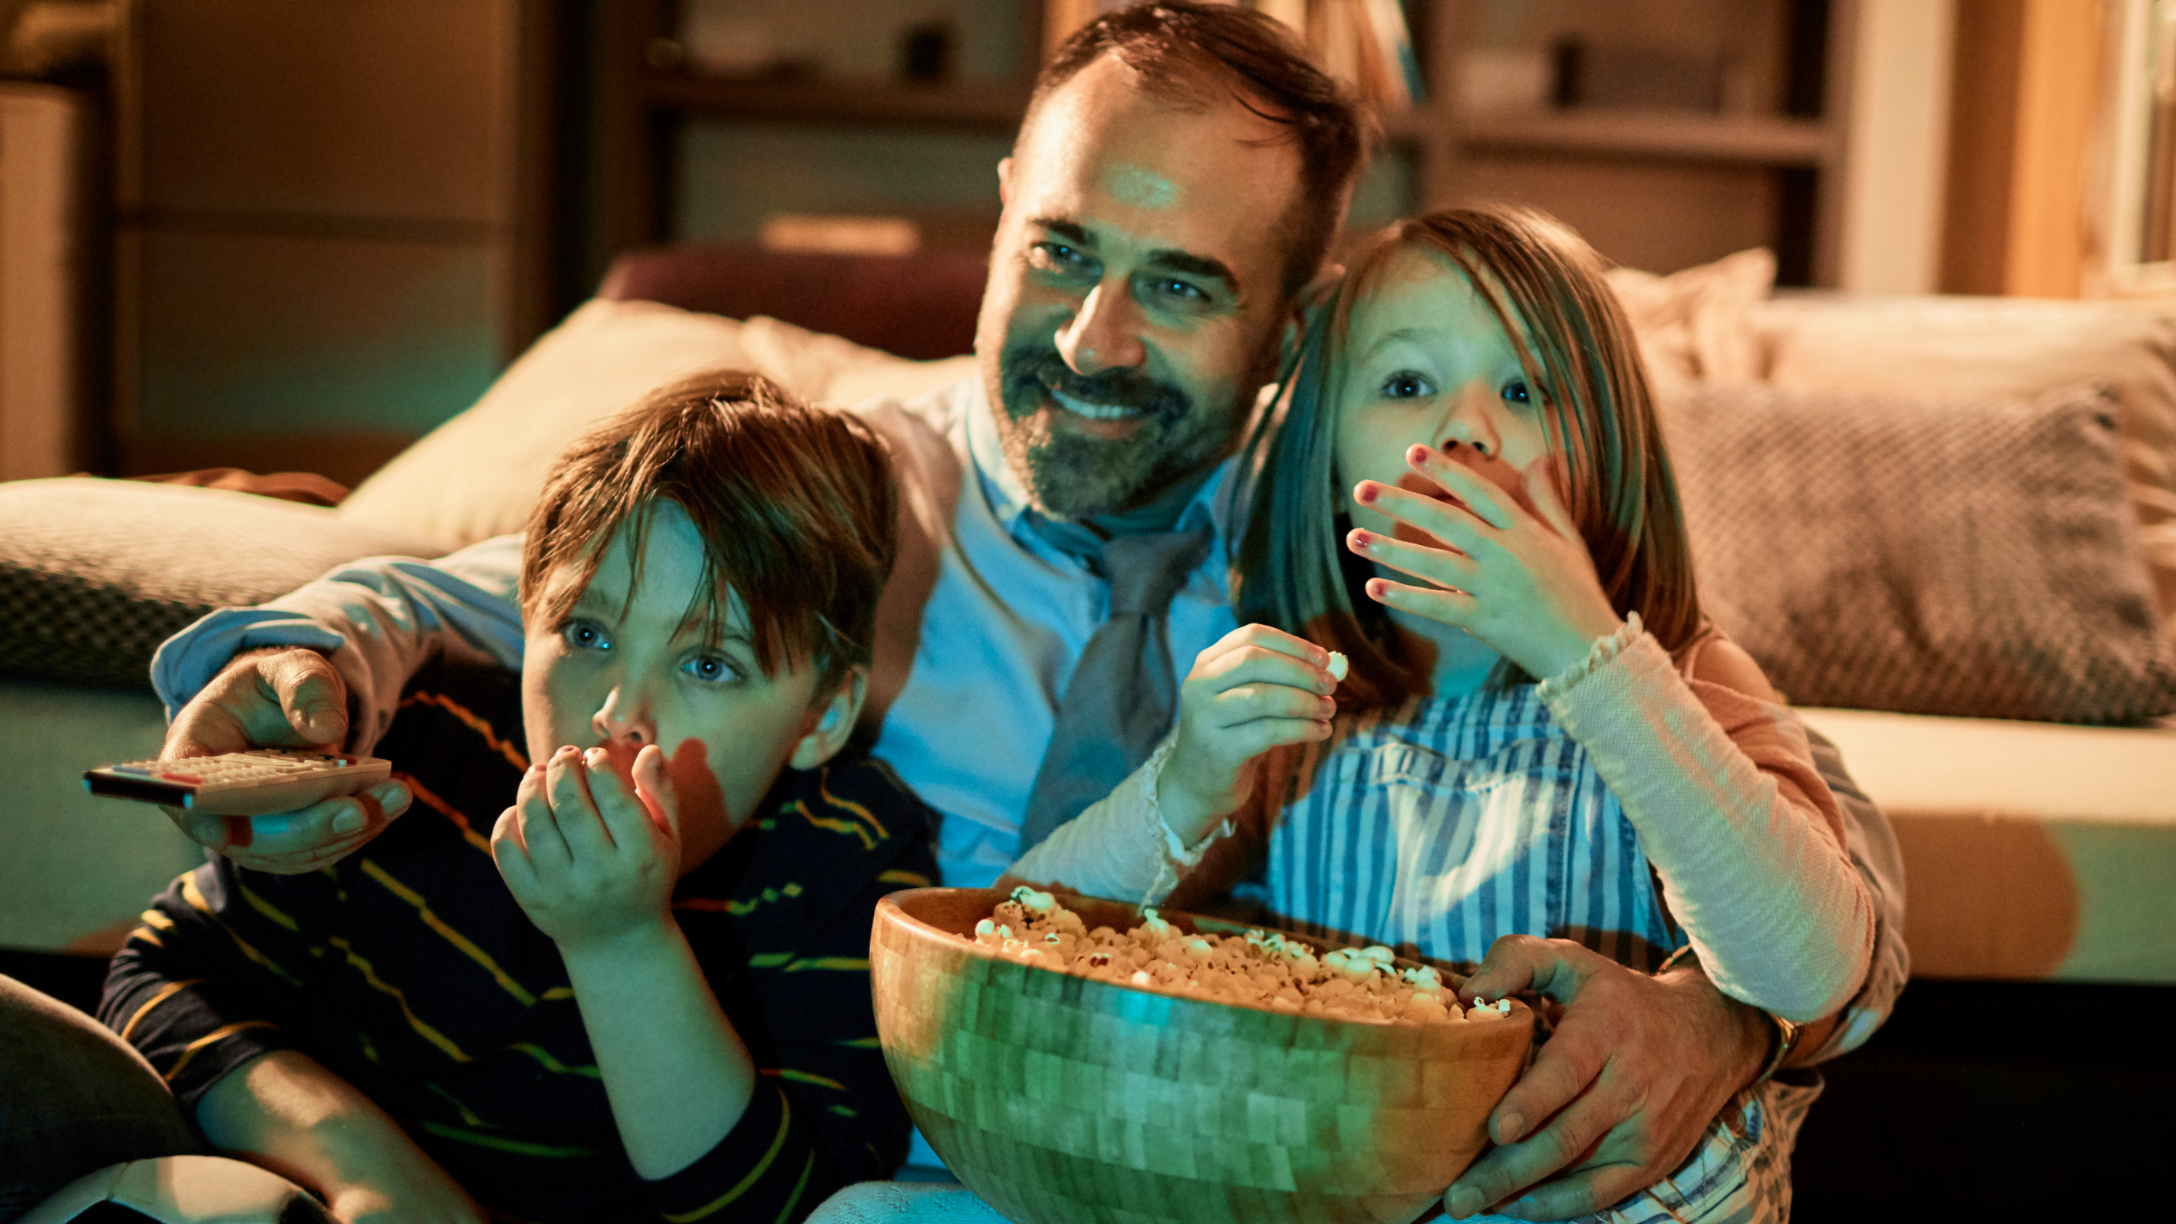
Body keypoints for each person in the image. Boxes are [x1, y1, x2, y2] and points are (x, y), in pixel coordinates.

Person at [142, 4, 1906, 1218]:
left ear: (1294, 326)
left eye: (1181, 284)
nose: (1091, 341)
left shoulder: (1378, 540)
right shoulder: (858, 480)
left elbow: (1766, 794)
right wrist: (301, 655)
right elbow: (493, 583)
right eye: (1060, 249)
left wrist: (1722, 1013)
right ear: (997, 214)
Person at [1007, 206, 1873, 1221]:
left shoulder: (1682, 678)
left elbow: (1811, 972)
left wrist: (1585, 655)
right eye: (1407, 384)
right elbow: (1030, 932)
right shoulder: (1312, 715)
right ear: (1326, 464)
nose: (1466, 427)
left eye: (1524, 388)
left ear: (1609, 446)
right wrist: (1184, 784)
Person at [96, 373, 939, 1222]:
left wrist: (621, 942)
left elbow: (802, 1209)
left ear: (821, 714)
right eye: (586, 634)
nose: (617, 714)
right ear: (524, 617)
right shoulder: (422, 752)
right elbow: (159, 978)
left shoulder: (849, 863)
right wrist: (368, 1169)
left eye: (709, 664)